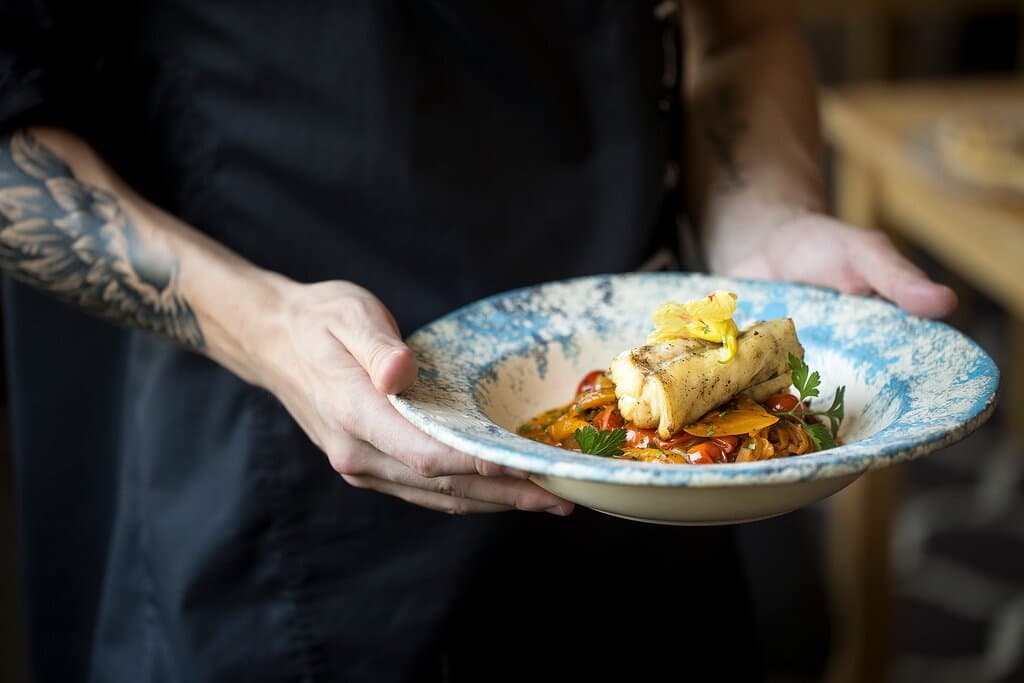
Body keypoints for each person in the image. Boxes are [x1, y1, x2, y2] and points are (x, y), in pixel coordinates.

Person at [0, 2, 955, 681]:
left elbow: (742, 27)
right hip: (287, 473)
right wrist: (266, 326)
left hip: (634, 466)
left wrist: (764, 223)